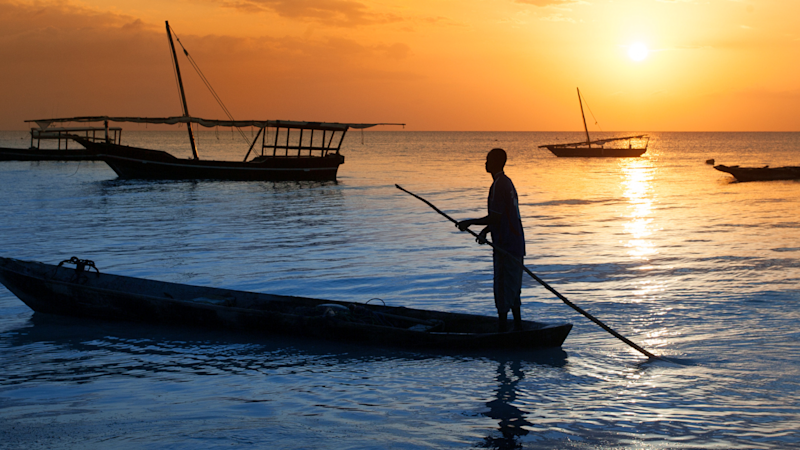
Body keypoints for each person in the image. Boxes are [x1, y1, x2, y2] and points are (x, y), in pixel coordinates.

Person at [456, 148, 526, 332]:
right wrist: (486, 231)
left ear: (496, 162)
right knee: (513, 286)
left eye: (488, 160)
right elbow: (501, 217)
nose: (485, 163)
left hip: (506, 246)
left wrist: (469, 223)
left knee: (503, 287)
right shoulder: (507, 183)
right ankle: (518, 327)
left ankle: (503, 330)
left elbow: (495, 217)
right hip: (515, 244)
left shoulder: (498, 186)